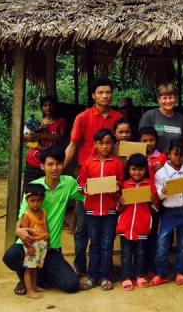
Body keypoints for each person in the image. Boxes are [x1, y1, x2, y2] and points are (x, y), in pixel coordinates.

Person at [2, 146, 84, 295]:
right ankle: (26, 276)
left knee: (71, 285)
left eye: (59, 163)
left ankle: (38, 276)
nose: (55, 168)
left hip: (51, 248)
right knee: (10, 256)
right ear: (42, 166)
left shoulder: (69, 183)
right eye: (50, 164)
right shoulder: (34, 188)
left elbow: (86, 196)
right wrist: (18, 230)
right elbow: (22, 215)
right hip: (29, 244)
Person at [64, 77, 123, 276]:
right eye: (101, 92)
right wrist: (56, 172)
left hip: (111, 178)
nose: (105, 96)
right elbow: (72, 146)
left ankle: (101, 267)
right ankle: (80, 265)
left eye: (108, 92)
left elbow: (122, 147)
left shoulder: (118, 117)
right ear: (93, 95)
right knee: (82, 227)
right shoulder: (82, 117)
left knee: (107, 226)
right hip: (87, 178)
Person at [77, 128, 124, 291]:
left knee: (107, 244)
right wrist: (85, 189)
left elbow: (122, 184)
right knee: (94, 244)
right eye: (101, 143)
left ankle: (105, 277)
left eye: (108, 143)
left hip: (110, 210)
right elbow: (80, 185)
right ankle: (92, 276)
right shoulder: (88, 163)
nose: (105, 146)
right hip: (92, 210)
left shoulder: (117, 163)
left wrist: (117, 188)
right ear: (95, 144)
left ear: (113, 145)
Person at [116, 154, 159, 291]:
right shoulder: (124, 185)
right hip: (126, 226)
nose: (136, 172)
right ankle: (126, 277)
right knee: (126, 253)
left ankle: (140, 275)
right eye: (133, 169)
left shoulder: (149, 185)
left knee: (140, 253)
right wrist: (120, 202)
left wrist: (152, 200)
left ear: (145, 170)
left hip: (142, 226)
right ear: (128, 170)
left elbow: (156, 208)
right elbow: (118, 208)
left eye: (140, 169)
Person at [152, 139, 183, 286]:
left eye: (182, 155)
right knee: (162, 244)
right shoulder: (161, 173)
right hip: (169, 212)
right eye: (175, 154)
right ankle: (161, 273)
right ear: (169, 154)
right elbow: (158, 195)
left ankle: (180, 272)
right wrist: (163, 191)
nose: (178, 157)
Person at [138, 126, 166, 277]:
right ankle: (139, 268)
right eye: (144, 140)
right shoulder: (135, 156)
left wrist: (162, 167)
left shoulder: (162, 157)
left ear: (156, 141)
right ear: (139, 141)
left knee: (153, 233)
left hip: (155, 202)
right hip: (139, 201)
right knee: (140, 235)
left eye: (151, 140)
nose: (148, 143)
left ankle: (151, 267)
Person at [23, 95, 67, 185]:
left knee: (48, 190)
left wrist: (42, 135)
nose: (48, 108)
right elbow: (27, 140)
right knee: (29, 190)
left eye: (50, 105)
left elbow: (62, 138)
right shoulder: (38, 123)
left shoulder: (61, 121)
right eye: (45, 106)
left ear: (55, 106)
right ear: (42, 107)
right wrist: (28, 137)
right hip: (34, 160)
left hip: (51, 162)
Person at [20, 183, 49, 299]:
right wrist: (29, 247)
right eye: (32, 201)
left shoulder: (43, 212)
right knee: (29, 268)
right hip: (32, 246)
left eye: (39, 200)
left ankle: (34, 285)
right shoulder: (26, 216)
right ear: (27, 200)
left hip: (42, 244)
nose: (36, 203)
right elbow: (24, 234)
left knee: (36, 267)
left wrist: (48, 241)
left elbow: (45, 227)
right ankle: (29, 291)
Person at [138, 82, 183, 153]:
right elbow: (141, 141)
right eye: (164, 98)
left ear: (175, 98)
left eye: (171, 97)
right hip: (154, 160)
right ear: (159, 100)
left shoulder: (181, 118)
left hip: (174, 160)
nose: (168, 101)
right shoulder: (150, 115)